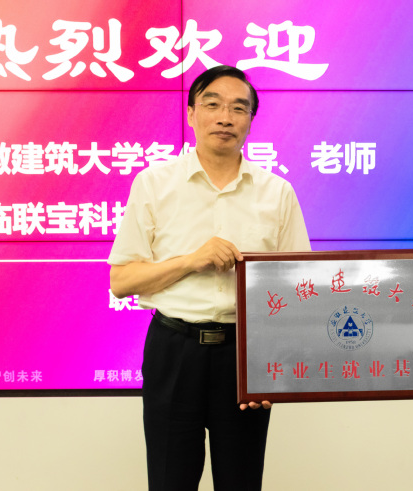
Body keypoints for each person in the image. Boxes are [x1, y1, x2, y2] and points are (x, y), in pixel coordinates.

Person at [108, 65, 311, 491]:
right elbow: (122, 281)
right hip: (174, 349)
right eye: (212, 104)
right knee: (170, 479)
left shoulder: (276, 192)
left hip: (245, 354)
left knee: (241, 481)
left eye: (238, 108)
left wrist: (271, 368)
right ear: (191, 113)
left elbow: (297, 287)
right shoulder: (154, 184)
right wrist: (190, 261)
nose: (225, 117)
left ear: (251, 120)